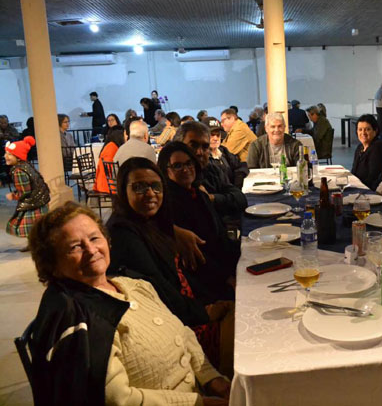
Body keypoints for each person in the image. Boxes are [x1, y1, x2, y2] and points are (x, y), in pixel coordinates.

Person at [28, 202, 231, 405]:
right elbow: (120, 399)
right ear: (52, 265)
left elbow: (182, 332)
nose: (91, 250)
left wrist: (212, 378)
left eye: (94, 238)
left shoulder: (134, 285)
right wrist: (201, 402)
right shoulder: (80, 318)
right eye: (75, 247)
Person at [107, 158, 235, 376]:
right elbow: (160, 292)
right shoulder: (123, 234)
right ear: (122, 191)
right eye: (139, 187)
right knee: (241, 323)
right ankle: (227, 382)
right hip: (175, 325)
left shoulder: (151, 223)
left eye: (156, 186)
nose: (150, 193)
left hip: (186, 306)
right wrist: (206, 311)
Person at [158, 142, 239, 300]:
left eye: (189, 163)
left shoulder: (198, 194)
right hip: (208, 283)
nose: (186, 169)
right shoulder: (170, 203)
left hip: (224, 267)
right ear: (166, 171)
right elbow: (197, 258)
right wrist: (228, 279)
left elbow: (220, 236)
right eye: (177, 166)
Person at [175, 121, 248, 224]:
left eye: (205, 147)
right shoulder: (172, 177)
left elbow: (241, 199)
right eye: (193, 146)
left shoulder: (212, 170)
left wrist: (211, 198)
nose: (200, 152)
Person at [4, 136, 49, 246]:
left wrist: (13, 196)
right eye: (6, 153)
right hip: (39, 200)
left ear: (18, 157)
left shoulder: (18, 171)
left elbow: (24, 192)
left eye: (10, 154)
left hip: (33, 202)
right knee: (36, 227)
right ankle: (33, 245)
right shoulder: (25, 165)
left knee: (31, 227)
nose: (5, 156)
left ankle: (39, 246)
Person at [350, 114, 382, 190]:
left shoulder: (378, 148)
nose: (363, 133)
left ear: (375, 131)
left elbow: (372, 177)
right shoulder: (360, 147)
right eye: (360, 129)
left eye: (367, 129)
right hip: (358, 186)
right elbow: (354, 171)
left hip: (368, 190)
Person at [94, 126, 125, 193]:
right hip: (107, 185)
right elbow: (110, 171)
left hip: (104, 182)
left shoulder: (111, 145)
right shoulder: (112, 147)